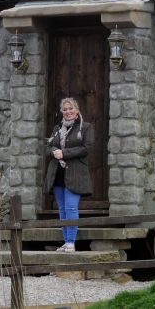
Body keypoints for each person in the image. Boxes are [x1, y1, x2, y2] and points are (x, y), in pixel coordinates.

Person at [43, 97, 93, 252]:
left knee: (71, 208)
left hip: (75, 175)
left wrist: (64, 153)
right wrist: (54, 152)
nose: (68, 112)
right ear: (61, 112)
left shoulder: (85, 128)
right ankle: (66, 241)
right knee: (63, 209)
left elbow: (86, 148)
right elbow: (47, 147)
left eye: (71, 108)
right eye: (65, 109)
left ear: (76, 111)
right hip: (58, 174)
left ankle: (71, 242)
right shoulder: (57, 129)